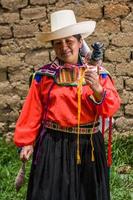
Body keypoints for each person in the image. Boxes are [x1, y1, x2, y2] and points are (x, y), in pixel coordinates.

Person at [14, 10, 121, 200]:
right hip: (53, 145)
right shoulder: (44, 76)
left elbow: (111, 108)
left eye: (69, 41)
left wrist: (96, 87)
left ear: (80, 43)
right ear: (53, 47)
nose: (64, 47)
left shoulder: (98, 74)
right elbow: (33, 110)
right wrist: (26, 142)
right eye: (58, 43)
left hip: (89, 148)